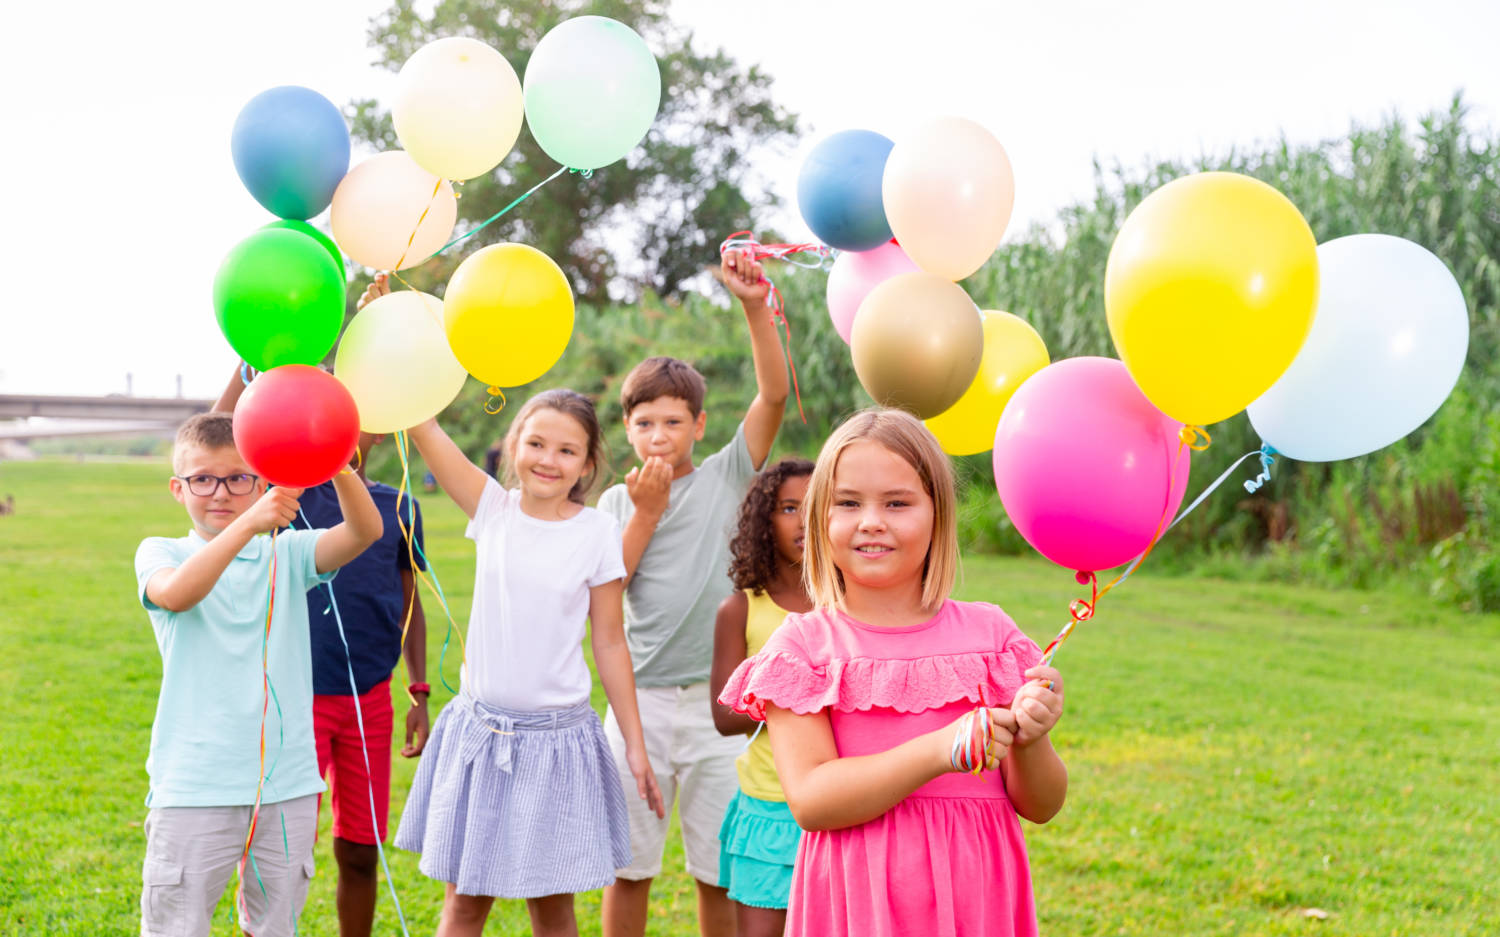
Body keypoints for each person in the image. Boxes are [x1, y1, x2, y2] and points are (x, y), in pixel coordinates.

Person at [718, 409, 1069, 937]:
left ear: (937, 514)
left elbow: (1041, 805)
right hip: (860, 904)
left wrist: (1032, 739)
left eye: (897, 502)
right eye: (848, 503)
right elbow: (813, 800)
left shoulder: (992, 636)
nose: (871, 520)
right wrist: (939, 749)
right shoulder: (804, 647)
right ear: (821, 519)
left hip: (974, 899)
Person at [394, 389, 666, 937]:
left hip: (556, 747)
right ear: (512, 445)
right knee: (466, 906)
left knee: (552, 909)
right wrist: (397, 348)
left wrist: (635, 745)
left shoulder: (595, 533)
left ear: (588, 464)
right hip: (482, 736)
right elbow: (425, 427)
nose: (548, 459)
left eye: (567, 450)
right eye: (536, 442)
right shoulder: (492, 508)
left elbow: (610, 642)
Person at [599, 248, 790, 937]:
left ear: (699, 427)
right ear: (627, 427)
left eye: (673, 422)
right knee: (631, 869)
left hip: (721, 709)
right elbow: (609, 589)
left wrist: (752, 306)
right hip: (640, 703)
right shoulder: (619, 504)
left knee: (719, 870)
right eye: (644, 421)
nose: (658, 435)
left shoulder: (725, 474)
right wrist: (644, 513)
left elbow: (771, 394)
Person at [134, 412, 382, 937]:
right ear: (178, 489)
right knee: (179, 925)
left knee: (275, 926)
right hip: (196, 786)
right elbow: (177, 594)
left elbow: (367, 531)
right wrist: (250, 522)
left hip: (286, 784)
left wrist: (335, 461)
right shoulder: (162, 552)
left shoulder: (288, 553)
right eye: (203, 479)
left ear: (262, 483)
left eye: (238, 478)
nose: (220, 492)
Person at [216, 362, 433, 937]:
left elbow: (411, 606)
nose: (332, 426)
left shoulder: (397, 506)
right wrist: (248, 365)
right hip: (292, 705)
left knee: (361, 852)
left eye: (349, 415)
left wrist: (419, 690)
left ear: (377, 428)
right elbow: (218, 434)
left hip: (371, 704)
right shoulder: (274, 498)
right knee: (275, 854)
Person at [709, 458, 815, 936]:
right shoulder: (740, 609)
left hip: (844, 800)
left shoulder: (853, 604)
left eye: (818, 507)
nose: (804, 521)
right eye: (789, 507)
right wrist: (788, 689)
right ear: (763, 520)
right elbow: (725, 716)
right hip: (770, 805)